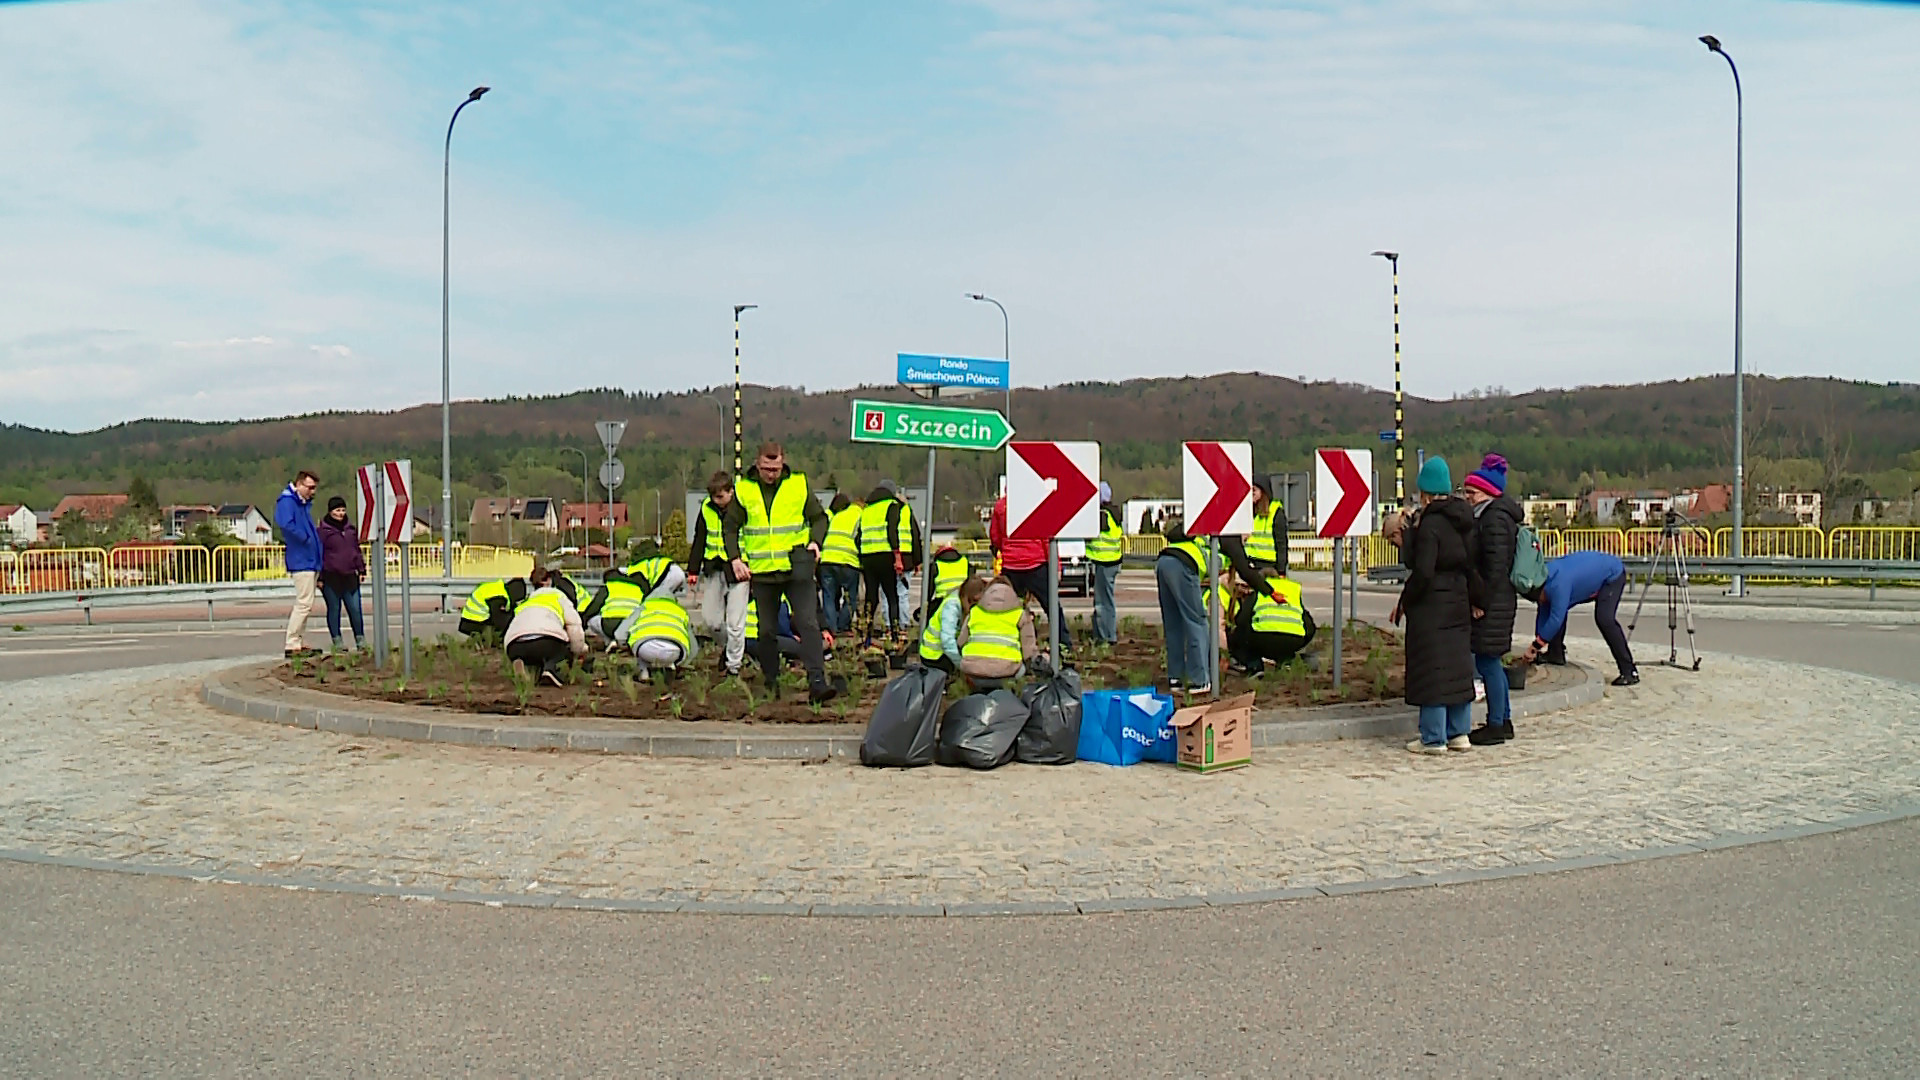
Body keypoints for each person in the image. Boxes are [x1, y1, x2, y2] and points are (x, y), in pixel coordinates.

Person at [728, 441, 837, 702]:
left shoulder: (797, 485)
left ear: (783, 462)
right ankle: (771, 682)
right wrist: (735, 559)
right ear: (757, 464)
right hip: (764, 573)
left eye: (776, 469)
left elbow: (820, 518)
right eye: (766, 469)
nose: (771, 474)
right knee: (766, 630)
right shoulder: (743, 490)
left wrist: (816, 542)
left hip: (796, 567)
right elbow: (730, 527)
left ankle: (817, 682)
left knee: (808, 623)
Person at [1391, 456, 1485, 754]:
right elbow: (1472, 564)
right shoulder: (1464, 521)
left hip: (1432, 605)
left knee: (1431, 668)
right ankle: (1459, 733)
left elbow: (1422, 569)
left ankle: (1433, 737)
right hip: (1457, 600)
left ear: (1425, 492)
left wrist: (1408, 599)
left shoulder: (1429, 524)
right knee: (1457, 668)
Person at [1462, 454, 1526, 744]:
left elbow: (1495, 568)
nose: (1468, 498)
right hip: (1499, 601)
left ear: (1487, 492)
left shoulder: (1494, 520)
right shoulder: (1496, 516)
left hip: (1494, 602)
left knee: (1488, 662)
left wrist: (1481, 602)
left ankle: (1496, 724)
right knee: (1492, 662)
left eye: (1471, 492)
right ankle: (1504, 719)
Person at [1523, 550, 1639, 686]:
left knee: (1604, 619)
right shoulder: (1543, 580)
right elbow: (1544, 615)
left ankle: (1629, 671)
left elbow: (1556, 619)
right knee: (1554, 606)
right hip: (1589, 575)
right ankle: (1556, 654)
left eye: (1540, 599)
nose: (1541, 602)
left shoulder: (1558, 585)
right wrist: (1538, 644)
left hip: (1611, 575)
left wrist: (1535, 646)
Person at [686, 472, 750, 674]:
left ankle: (734, 667)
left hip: (739, 571)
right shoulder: (707, 508)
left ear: (731, 492)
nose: (717, 501)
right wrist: (693, 569)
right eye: (714, 497)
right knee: (711, 621)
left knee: (735, 622)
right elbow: (700, 538)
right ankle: (730, 649)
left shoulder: (743, 507)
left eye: (721, 497)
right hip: (715, 568)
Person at [989, 492, 1072, 650]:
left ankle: (1005, 643)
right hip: (1036, 564)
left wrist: (1005, 549)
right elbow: (1048, 538)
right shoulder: (1036, 504)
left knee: (1006, 608)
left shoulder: (1001, 506)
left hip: (1011, 565)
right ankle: (1063, 645)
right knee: (1052, 607)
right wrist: (1056, 566)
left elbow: (995, 537)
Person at [1154, 518, 1213, 695]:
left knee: (1173, 625)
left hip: (1164, 561)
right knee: (1197, 622)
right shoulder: (1217, 542)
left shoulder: (1194, 536)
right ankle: (1199, 680)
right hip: (1184, 565)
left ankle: (1175, 677)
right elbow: (1216, 567)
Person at [503, 567, 588, 687]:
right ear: (549, 580)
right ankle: (551, 670)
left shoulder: (527, 601)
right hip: (546, 641)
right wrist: (578, 650)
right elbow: (574, 625)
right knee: (561, 651)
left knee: (534, 654)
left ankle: (522, 664)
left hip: (514, 644)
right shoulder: (558, 596)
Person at [858, 482, 918, 637]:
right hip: (884, 555)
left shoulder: (867, 509)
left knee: (871, 598)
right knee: (892, 596)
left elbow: (858, 536)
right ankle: (895, 633)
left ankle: (867, 635)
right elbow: (892, 531)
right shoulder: (891, 505)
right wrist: (897, 557)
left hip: (867, 557)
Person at [957, 574, 1036, 690]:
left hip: (974, 672)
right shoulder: (1020, 615)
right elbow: (1029, 652)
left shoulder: (975, 612)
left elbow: (960, 643)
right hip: (1007, 673)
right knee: (1022, 670)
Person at [1227, 573, 1316, 675]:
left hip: (1262, 639)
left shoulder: (1260, 590)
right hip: (1292, 640)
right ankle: (1285, 662)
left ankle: (1255, 666)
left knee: (1240, 635)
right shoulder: (1292, 591)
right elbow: (1310, 625)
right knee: (1285, 644)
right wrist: (1301, 641)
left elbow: (1241, 620)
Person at [275, 470, 322, 658]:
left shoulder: (302, 504)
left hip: (308, 559)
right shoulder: (288, 502)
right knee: (304, 603)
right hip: (301, 559)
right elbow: (286, 524)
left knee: (306, 603)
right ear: (300, 484)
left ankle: (298, 641)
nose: (312, 492)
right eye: (310, 487)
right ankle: (292, 642)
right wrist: (305, 538)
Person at [316, 496, 366, 652]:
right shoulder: (323, 532)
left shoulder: (351, 530)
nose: (341, 514)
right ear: (331, 511)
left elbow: (356, 550)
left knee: (355, 609)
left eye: (343, 510)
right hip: (331, 577)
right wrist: (320, 577)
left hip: (350, 576)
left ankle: (360, 640)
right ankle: (337, 641)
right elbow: (319, 554)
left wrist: (361, 568)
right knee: (334, 609)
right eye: (337, 510)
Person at [914, 548, 974, 672]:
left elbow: (928, 592)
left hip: (941, 603)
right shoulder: (965, 562)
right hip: (964, 601)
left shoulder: (936, 566)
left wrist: (924, 608)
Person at [619, 594, 698, 681]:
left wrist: (623, 643)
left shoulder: (644, 606)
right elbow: (693, 647)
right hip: (674, 652)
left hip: (645, 649)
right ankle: (670, 668)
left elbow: (621, 632)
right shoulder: (681, 611)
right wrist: (683, 663)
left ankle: (644, 673)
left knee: (638, 642)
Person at [818, 492, 864, 635]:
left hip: (827, 560)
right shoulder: (861, 516)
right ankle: (843, 626)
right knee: (850, 597)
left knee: (829, 596)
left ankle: (831, 629)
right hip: (848, 560)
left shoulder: (837, 515)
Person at [1086, 482, 1125, 645]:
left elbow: (1089, 533)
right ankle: (1106, 634)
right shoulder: (1114, 514)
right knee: (1106, 600)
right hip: (1113, 561)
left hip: (1103, 561)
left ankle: (1105, 638)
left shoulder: (1101, 515)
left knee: (1102, 603)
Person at [1242, 479, 1290, 576]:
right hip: (1250, 564)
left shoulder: (1276, 512)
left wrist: (1281, 571)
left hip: (1269, 567)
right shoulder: (1247, 511)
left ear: (1263, 491)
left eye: (1254, 490)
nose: (1251, 494)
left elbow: (1281, 544)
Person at [458, 577, 528, 638]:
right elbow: (499, 621)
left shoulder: (498, 588)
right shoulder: (498, 597)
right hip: (474, 624)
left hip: (470, 621)